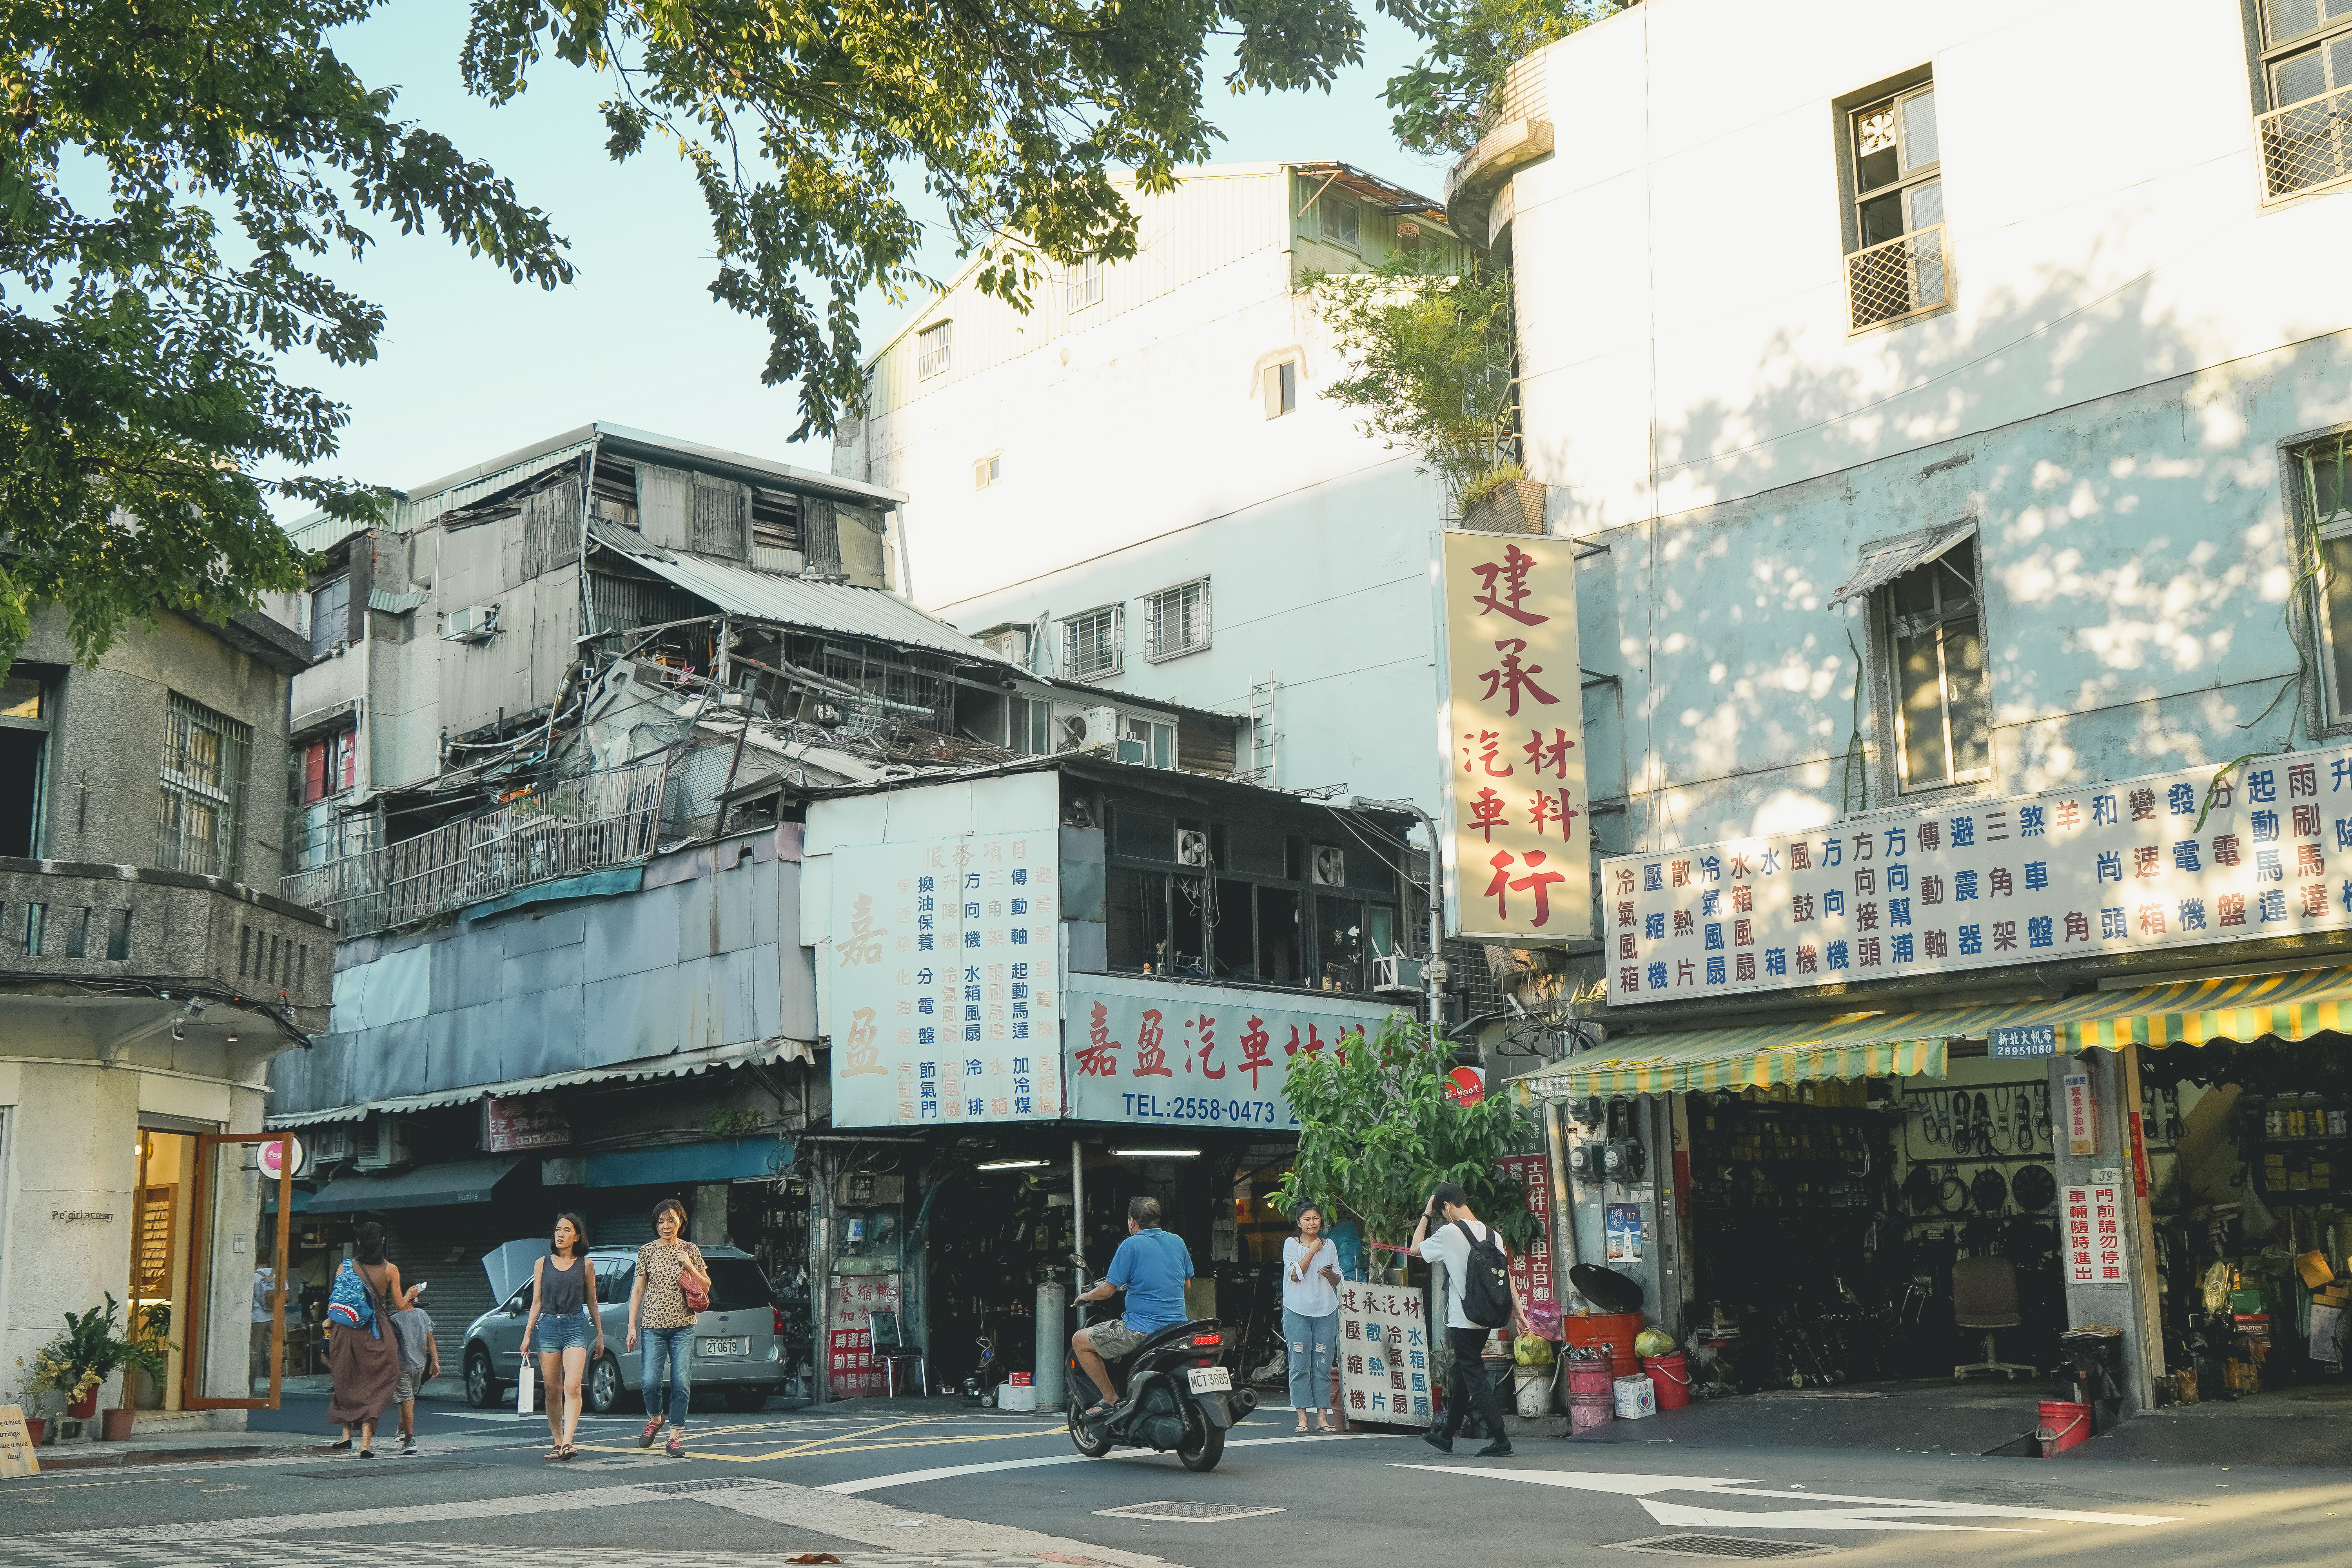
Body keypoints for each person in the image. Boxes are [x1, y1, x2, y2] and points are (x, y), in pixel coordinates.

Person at [1412, 1183, 1528, 1458]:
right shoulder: (1494, 1235)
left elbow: (1416, 1249)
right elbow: (1507, 1277)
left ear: (1447, 1207)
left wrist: (1427, 1214)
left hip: (1463, 1317)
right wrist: (1519, 1311)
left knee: (1473, 1374)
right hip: (1486, 1316)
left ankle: (1501, 1440)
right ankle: (1447, 1436)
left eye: (1442, 1212)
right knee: (1463, 1370)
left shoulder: (1450, 1232)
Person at [1070, 1196, 1193, 1421]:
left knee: (1080, 1340)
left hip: (1142, 1329)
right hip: (1177, 1328)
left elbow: (1107, 1291)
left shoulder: (1130, 1245)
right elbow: (1186, 1283)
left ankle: (1109, 1398)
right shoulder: (1178, 1242)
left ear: (1132, 1221)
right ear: (1157, 1219)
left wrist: (1085, 1296)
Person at [627, 1198, 710, 1458]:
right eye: (661, 1221)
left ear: (681, 1222)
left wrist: (689, 1266)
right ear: (656, 1225)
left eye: (671, 1220)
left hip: (683, 1327)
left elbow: (706, 1285)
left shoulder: (690, 1250)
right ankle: (655, 1419)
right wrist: (632, 1326)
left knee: (681, 1383)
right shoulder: (647, 1252)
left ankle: (675, 1438)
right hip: (652, 1326)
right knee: (649, 1382)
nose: (666, 1225)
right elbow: (638, 1289)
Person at [519, 1212, 602, 1461]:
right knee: (552, 1390)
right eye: (558, 1230)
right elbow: (536, 1302)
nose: (561, 1235)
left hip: (575, 1325)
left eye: (567, 1231)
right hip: (547, 1328)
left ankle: (568, 1443)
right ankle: (557, 1441)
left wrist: (600, 1333)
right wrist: (527, 1333)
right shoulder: (541, 1263)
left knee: (573, 1385)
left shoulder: (585, 1264)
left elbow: (592, 1301)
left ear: (577, 1236)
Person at [325, 1223, 403, 1457]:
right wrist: (412, 1295)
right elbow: (401, 1305)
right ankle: (366, 1444)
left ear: (358, 1242)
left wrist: (328, 1322)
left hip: (345, 1327)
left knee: (345, 1378)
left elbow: (337, 1299)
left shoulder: (345, 1266)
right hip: (374, 1328)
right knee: (374, 1382)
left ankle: (346, 1436)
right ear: (381, 1241)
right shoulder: (391, 1270)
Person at [1282, 1203, 1345, 1433]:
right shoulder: (1291, 1244)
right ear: (1299, 1223)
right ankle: (1302, 1417)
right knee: (1299, 1364)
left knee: (1323, 1364)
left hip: (1326, 1311)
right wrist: (1311, 1252)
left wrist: (1329, 1274)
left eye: (1316, 1218)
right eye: (1307, 1219)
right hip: (1297, 1311)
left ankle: (1322, 1417)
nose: (1312, 1223)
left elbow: (1337, 1279)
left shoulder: (1329, 1245)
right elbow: (1296, 1276)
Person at [386, 1283, 441, 1457]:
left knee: (407, 1399)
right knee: (408, 1399)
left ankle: (406, 1434)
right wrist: (435, 1362)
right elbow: (430, 1340)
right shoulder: (422, 1315)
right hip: (418, 1365)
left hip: (404, 1366)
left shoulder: (393, 1319)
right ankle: (407, 1434)